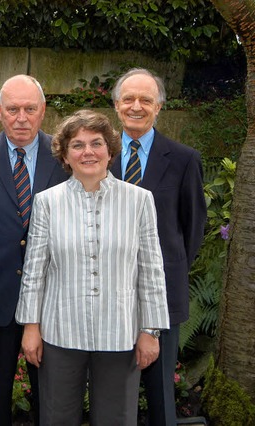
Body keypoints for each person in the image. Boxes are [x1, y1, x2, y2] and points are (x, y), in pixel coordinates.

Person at [16, 109, 170, 425]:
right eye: (78, 145)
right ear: (65, 154)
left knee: (117, 418)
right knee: (57, 417)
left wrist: (150, 330)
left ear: (110, 150)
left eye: (96, 143)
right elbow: (35, 269)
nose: (88, 152)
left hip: (120, 333)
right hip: (60, 333)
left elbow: (152, 269)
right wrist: (31, 326)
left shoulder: (139, 200)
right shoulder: (47, 201)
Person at [0, 74, 68, 425]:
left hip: (52, 296)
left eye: (29, 109)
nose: (21, 118)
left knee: (50, 397)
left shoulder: (64, 155)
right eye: (13, 109)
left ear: (43, 111)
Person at [110, 68, 206, 426]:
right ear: (117, 105)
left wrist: (164, 271)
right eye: (129, 99)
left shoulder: (183, 160)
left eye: (145, 100)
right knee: (114, 392)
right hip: (109, 296)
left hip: (162, 297)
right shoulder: (96, 155)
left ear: (159, 107)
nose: (137, 106)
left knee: (160, 393)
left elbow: (192, 229)